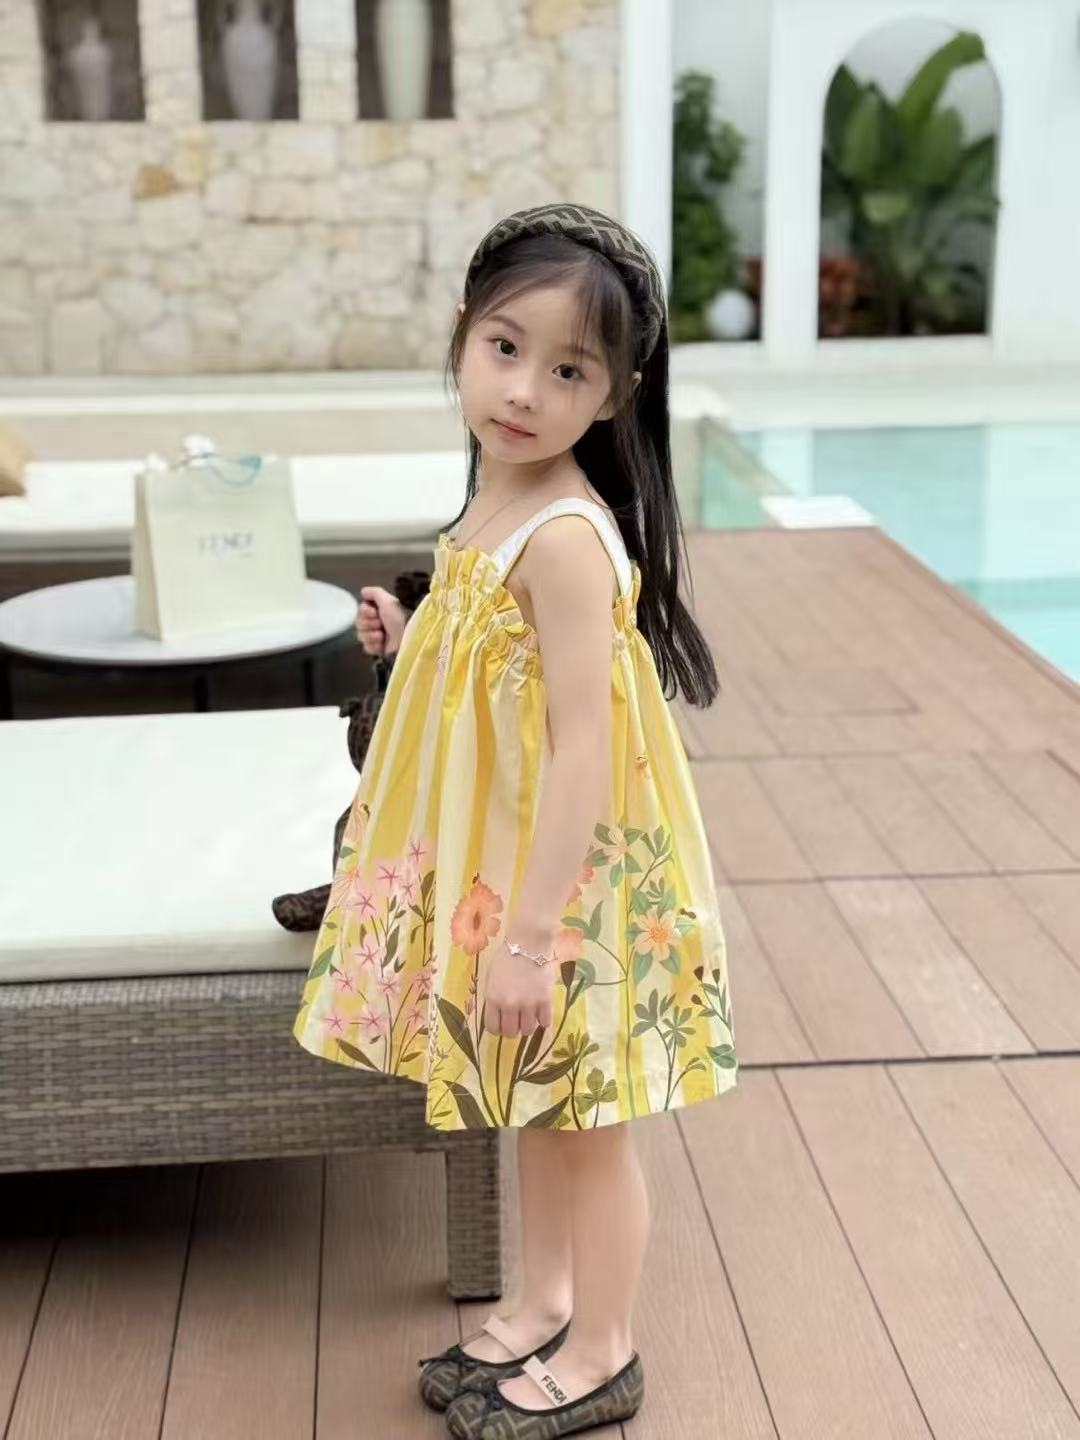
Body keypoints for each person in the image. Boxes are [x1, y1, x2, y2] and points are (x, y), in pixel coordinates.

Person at [291, 202, 738, 1439]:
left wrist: (535, 938)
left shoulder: (569, 537)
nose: (527, 391)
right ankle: (544, 1300)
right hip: (515, 868)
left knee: (588, 1122)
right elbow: (490, 661)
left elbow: (585, 745)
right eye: (505, 348)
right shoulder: (493, 495)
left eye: (570, 371)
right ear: (463, 336)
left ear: (616, 395)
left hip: (569, 882)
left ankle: (605, 1348)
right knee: (534, 1100)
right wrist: (410, 630)